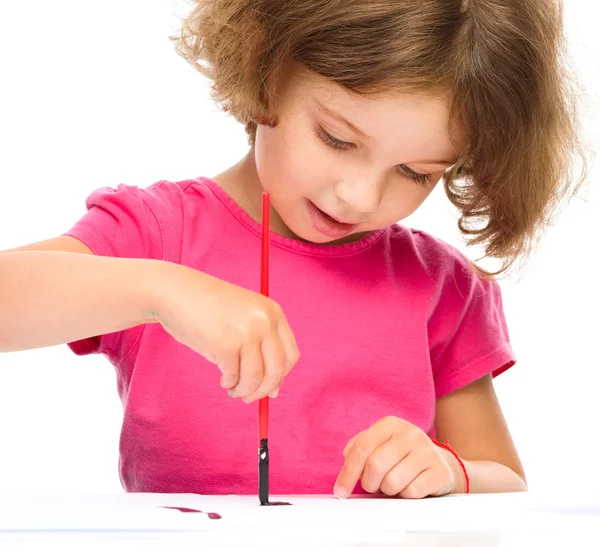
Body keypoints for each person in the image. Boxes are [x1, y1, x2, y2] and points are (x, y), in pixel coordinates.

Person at [0, 0, 587, 499]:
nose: (360, 196)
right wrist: (161, 289)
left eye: (415, 172)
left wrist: (452, 474)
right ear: (265, 65)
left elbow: (506, 482)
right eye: (337, 139)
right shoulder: (159, 234)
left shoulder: (440, 286)